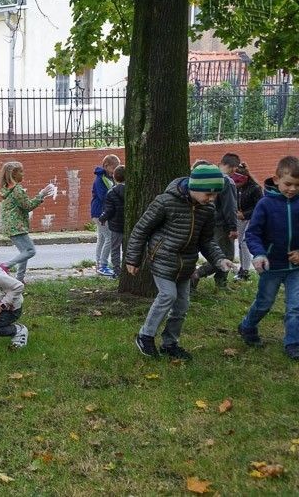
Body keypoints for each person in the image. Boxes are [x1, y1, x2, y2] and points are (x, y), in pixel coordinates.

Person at [125, 163, 233, 360]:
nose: (212, 199)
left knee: (181, 307)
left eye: (215, 195)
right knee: (168, 295)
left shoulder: (206, 209)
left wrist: (220, 259)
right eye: (209, 194)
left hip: (186, 264)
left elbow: (206, 240)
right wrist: (133, 258)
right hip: (162, 259)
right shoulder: (165, 202)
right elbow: (141, 229)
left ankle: (170, 343)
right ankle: (145, 336)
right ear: (195, 187)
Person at [237, 156, 299, 360]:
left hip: (296, 268)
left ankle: (292, 343)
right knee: (264, 303)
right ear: (277, 179)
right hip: (272, 266)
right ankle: (247, 325)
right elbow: (252, 234)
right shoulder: (265, 204)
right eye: (288, 184)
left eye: (297, 185)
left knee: (295, 307)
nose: (292, 189)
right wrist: (260, 253)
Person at [0, 161, 57, 283]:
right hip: (17, 225)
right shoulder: (17, 190)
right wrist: (41, 195)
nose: (23, 174)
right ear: (13, 174)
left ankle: (19, 279)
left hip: (10, 225)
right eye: (21, 171)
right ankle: (5, 266)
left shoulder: (6, 189)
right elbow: (27, 206)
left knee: (24, 253)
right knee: (30, 251)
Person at [191, 154, 239, 290]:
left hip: (209, 222)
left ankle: (219, 282)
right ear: (233, 167)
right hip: (222, 225)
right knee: (226, 255)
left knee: (217, 252)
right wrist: (233, 227)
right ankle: (201, 275)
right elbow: (230, 206)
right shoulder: (226, 181)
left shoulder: (207, 179)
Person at [91, 154, 121, 277]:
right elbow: (104, 196)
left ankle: (99, 263)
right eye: (114, 168)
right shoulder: (100, 179)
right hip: (100, 213)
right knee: (109, 237)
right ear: (106, 166)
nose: (115, 170)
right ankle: (103, 264)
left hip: (102, 212)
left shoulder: (109, 178)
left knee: (102, 238)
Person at [233, 162, 263, 281]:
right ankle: (242, 268)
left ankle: (245, 271)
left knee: (244, 243)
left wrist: (244, 214)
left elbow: (259, 206)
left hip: (252, 218)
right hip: (240, 219)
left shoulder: (255, 188)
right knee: (240, 244)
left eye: (239, 182)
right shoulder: (235, 188)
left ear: (245, 179)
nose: (237, 184)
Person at [97, 165, 126, 277]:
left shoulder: (112, 192)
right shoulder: (133, 190)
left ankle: (117, 271)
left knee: (115, 249)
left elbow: (109, 210)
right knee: (127, 248)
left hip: (116, 226)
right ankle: (128, 268)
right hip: (128, 226)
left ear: (114, 177)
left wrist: (102, 218)